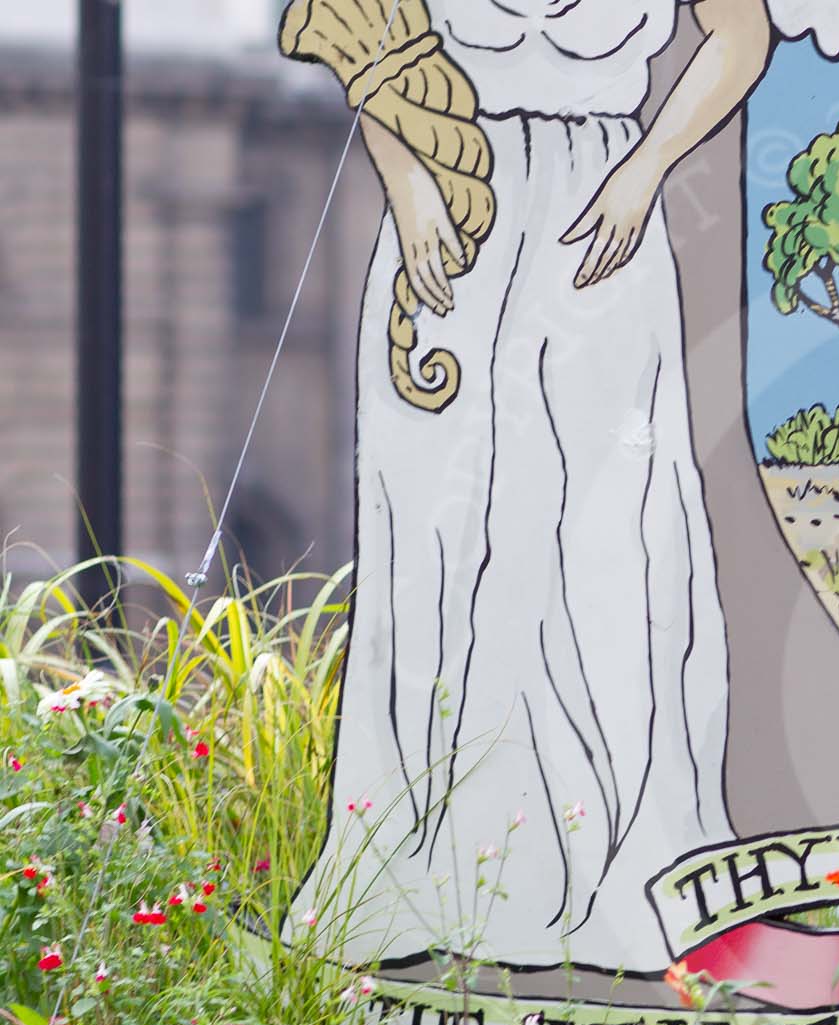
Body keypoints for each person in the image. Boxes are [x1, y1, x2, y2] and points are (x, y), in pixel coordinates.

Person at [283, 0, 769, 973]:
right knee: (437, 535)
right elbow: (361, 29)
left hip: (601, 228)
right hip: (452, 225)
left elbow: (741, 34)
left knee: (607, 538)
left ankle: (622, 873)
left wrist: (644, 169)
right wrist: (408, 182)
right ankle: (422, 876)